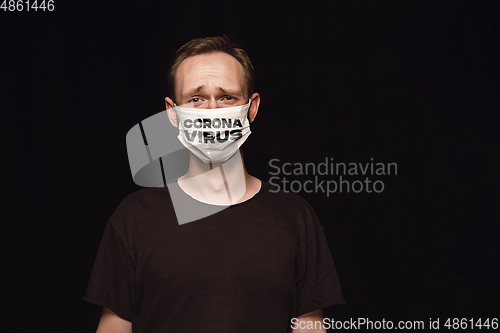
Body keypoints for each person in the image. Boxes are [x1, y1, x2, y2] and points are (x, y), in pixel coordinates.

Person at [83, 35, 345, 333]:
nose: (211, 112)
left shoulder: (295, 217)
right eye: (196, 99)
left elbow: (310, 327)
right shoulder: (133, 218)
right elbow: (115, 326)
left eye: (227, 97)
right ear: (172, 112)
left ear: (252, 107)